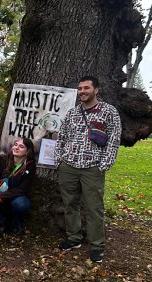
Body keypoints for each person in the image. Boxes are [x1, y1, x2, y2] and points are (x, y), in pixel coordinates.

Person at [54, 75, 122, 263]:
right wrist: (60, 158)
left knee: (94, 207)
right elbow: (62, 137)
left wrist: (104, 165)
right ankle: (74, 237)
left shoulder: (108, 112)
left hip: (92, 167)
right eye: (80, 88)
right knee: (70, 203)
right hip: (69, 165)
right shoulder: (73, 113)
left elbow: (114, 140)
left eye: (86, 88)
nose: (82, 91)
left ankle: (97, 245)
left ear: (96, 90)